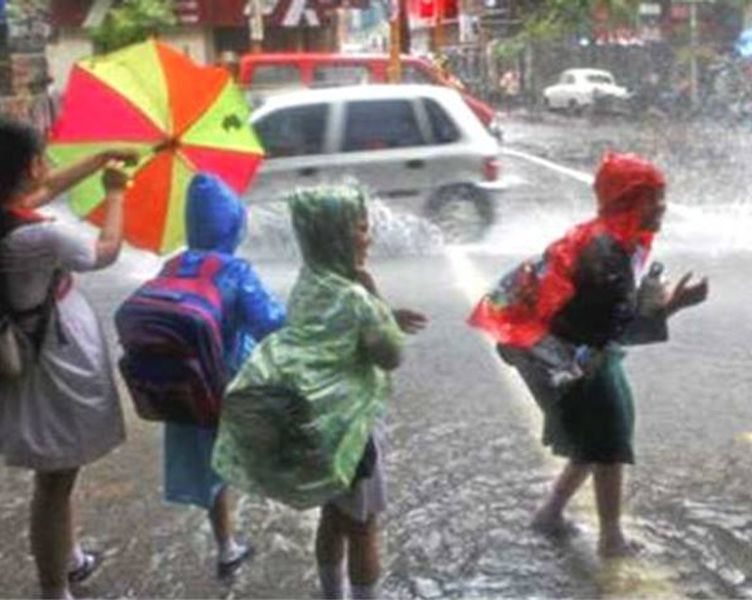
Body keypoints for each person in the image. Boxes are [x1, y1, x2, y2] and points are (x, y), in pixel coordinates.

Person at [469, 152, 708, 558]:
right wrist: (673, 306)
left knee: (595, 434)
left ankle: (550, 513)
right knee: (609, 439)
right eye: (654, 198)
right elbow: (611, 328)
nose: (663, 207)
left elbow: (608, 319)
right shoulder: (606, 256)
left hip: (566, 350)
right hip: (566, 357)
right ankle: (611, 538)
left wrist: (654, 303)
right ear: (627, 202)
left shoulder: (610, 241)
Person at [215, 186, 427, 599]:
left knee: (332, 517)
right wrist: (374, 295)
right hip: (348, 433)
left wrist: (374, 303)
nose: (370, 237)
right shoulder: (354, 297)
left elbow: (335, 332)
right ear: (337, 236)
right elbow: (390, 355)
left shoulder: (309, 280)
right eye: (361, 228)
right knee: (364, 528)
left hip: (313, 430)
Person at [0, 116, 138, 598]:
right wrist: (115, 193)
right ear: (34, 164)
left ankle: (69, 557)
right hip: (51, 363)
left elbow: (38, 193)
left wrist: (98, 159)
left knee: (59, 472)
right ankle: (53, 588)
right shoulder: (39, 237)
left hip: (31, 350)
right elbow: (104, 252)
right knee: (55, 479)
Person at [161, 173, 286, 577]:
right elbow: (270, 322)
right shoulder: (234, 270)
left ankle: (226, 545)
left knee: (209, 459)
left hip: (188, 383)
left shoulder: (173, 264)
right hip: (232, 380)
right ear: (233, 222)